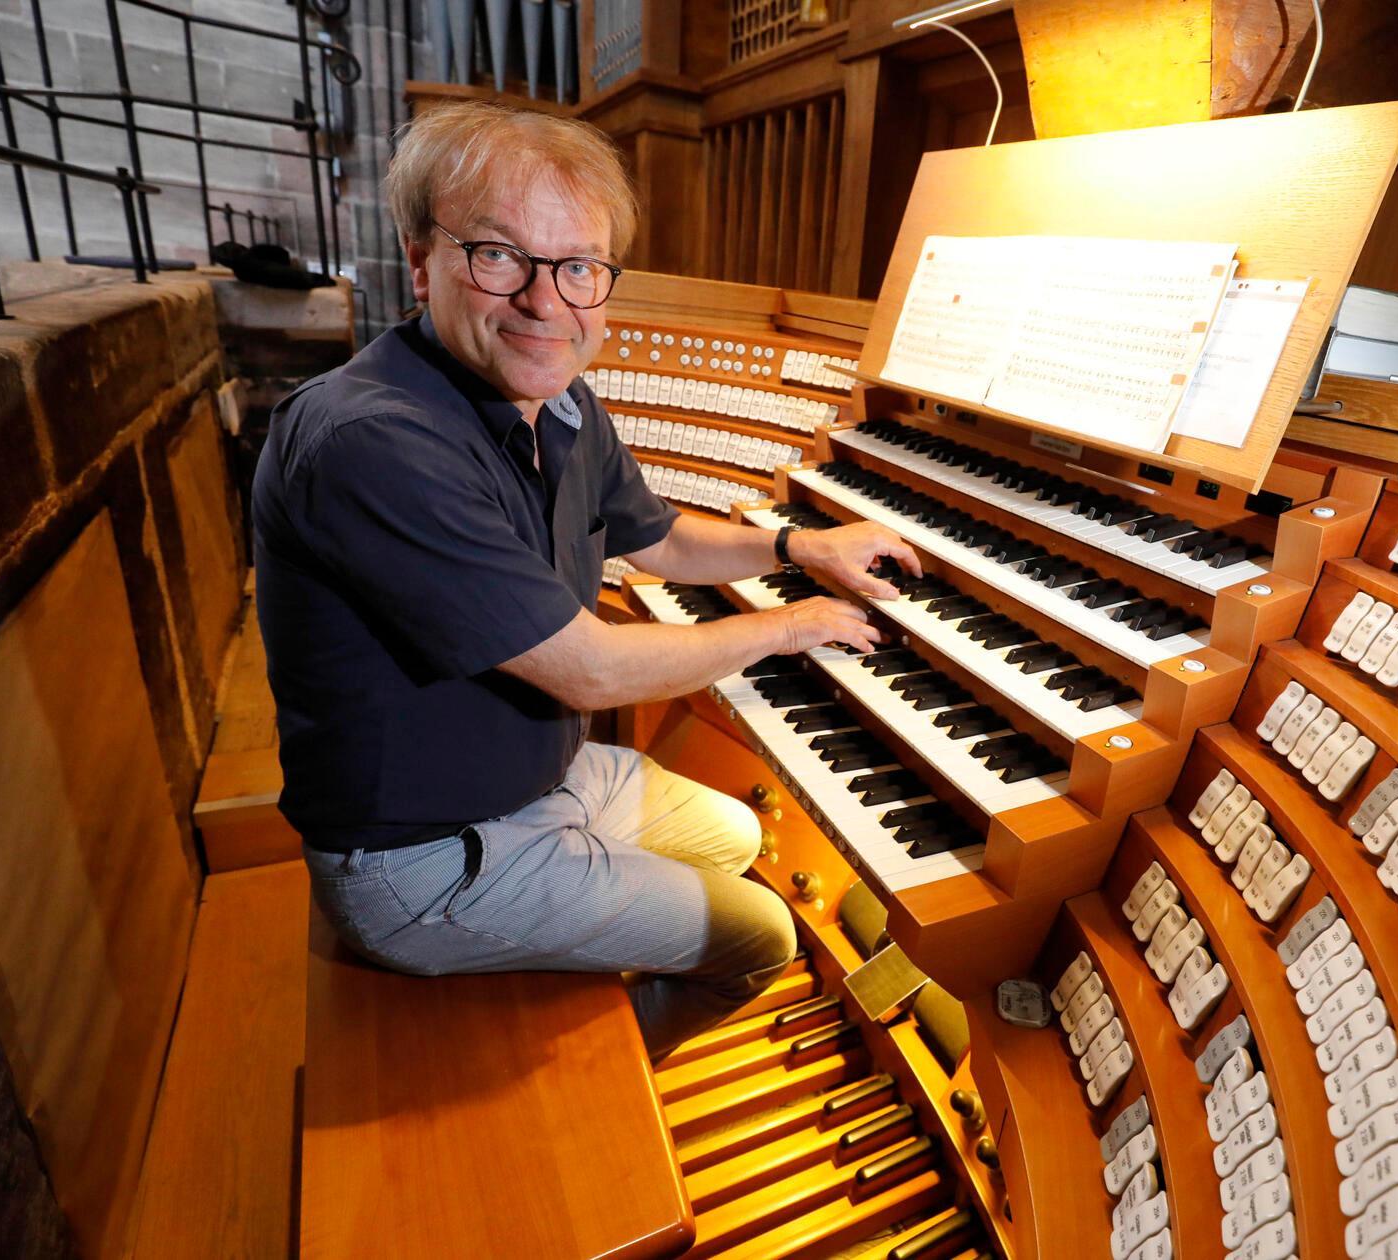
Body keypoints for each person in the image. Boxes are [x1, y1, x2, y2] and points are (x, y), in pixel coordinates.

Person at [252, 100, 919, 1058]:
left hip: (536, 782)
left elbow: (659, 543)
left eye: (577, 268)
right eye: (498, 255)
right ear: (420, 261)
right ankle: (594, 1076)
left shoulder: (556, 397)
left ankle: (579, 973)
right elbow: (592, 673)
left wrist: (793, 549)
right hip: (423, 856)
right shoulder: (373, 440)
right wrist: (787, 627)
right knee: (760, 937)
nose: (543, 301)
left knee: (733, 835)